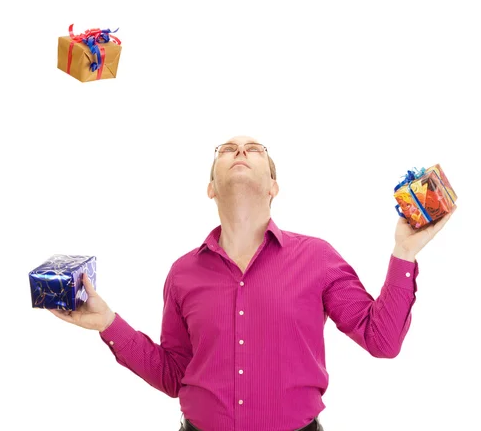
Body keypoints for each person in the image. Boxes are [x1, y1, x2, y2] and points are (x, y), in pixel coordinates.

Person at [50, 136, 455, 431]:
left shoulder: (318, 258)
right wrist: (107, 323)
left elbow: (382, 341)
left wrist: (404, 254)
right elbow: (174, 375)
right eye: (226, 149)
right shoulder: (181, 274)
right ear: (210, 189)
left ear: (273, 188)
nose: (240, 150)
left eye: (255, 148)